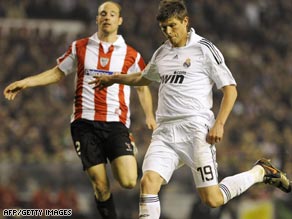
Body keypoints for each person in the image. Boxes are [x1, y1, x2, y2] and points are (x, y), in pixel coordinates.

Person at [90, 0, 292, 218]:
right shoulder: (161, 53)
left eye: (172, 26)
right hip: (165, 133)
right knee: (148, 182)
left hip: (196, 130)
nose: (168, 32)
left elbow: (230, 90)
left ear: (185, 22)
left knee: (212, 199)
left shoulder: (204, 49)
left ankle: (260, 172)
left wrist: (220, 123)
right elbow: (143, 77)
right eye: (163, 28)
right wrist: (114, 79)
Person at [3, 1, 156, 219]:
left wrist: (149, 115)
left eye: (112, 14)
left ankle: (127, 145)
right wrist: (26, 82)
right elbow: (57, 72)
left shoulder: (131, 54)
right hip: (83, 124)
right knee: (100, 185)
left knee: (129, 181)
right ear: (97, 18)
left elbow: (142, 85)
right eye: (103, 13)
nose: (107, 17)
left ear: (120, 20)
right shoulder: (80, 47)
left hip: (115, 123)